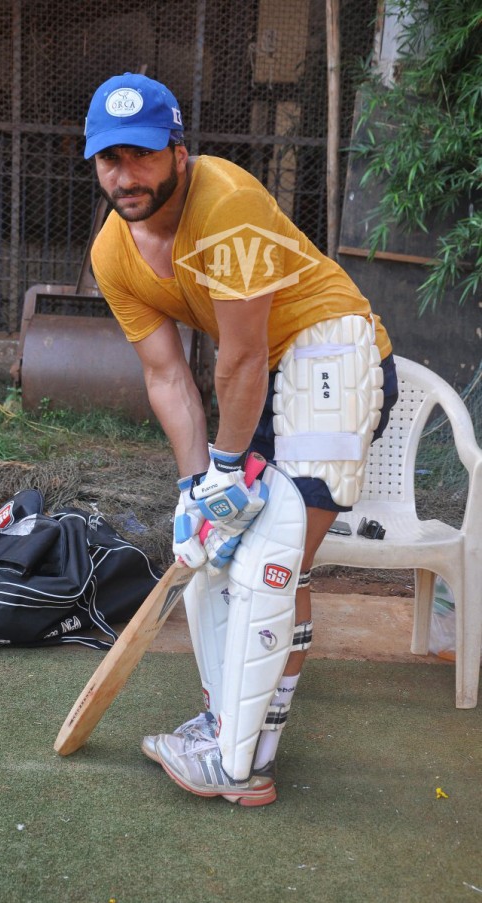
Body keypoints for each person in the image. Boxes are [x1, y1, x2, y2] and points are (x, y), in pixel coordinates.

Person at [83, 72, 398, 806]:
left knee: (270, 560)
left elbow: (243, 357)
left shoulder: (226, 203)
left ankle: (239, 760)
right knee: (213, 557)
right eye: (110, 159)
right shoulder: (111, 254)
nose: (126, 176)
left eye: (142, 155)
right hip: (262, 375)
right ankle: (231, 733)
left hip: (329, 350)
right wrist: (196, 487)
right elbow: (166, 376)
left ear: (178, 152)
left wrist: (225, 470)